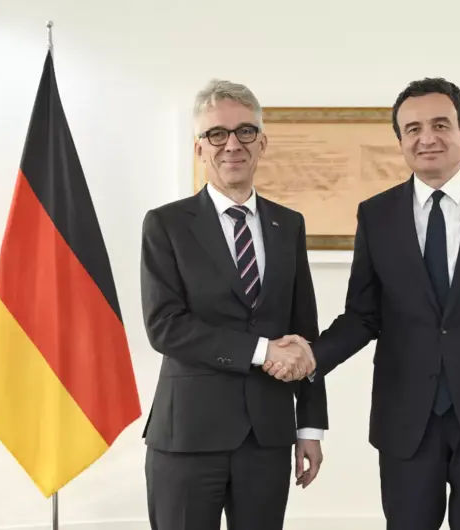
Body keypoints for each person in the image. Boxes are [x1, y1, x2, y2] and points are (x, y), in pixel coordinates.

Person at [268, 77, 460, 529]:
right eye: (413, 129)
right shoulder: (376, 214)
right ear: (401, 140)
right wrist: (311, 357)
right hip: (405, 416)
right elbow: (364, 315)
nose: (427, 138)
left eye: (440, 124)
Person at [140, 79, 328, 530]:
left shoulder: (289, 224)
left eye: (245, 131)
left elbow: (305, 331)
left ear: (262, 142)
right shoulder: (166, 224)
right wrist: (262, 351)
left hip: (267, 437)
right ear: (199, 148)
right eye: (216, 134)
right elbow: (165, 326)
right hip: (187, 436)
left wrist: (310, 426)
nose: (232, 144)